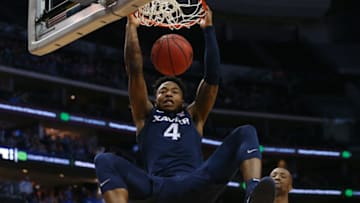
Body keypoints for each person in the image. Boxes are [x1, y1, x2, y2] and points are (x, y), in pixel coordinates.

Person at [94, 7, 275, 203]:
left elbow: (212, 79)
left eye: (174, 91)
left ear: (183, 99)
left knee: (246, 132)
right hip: (157, 186)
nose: (168, 94)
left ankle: (253, 193)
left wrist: (209, 29)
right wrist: (131, 26)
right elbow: (134, 71)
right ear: (155, 98)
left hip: (196, 182)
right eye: (163, 91)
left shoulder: (194, 115)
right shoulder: (145, 116)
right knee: (104, 160)